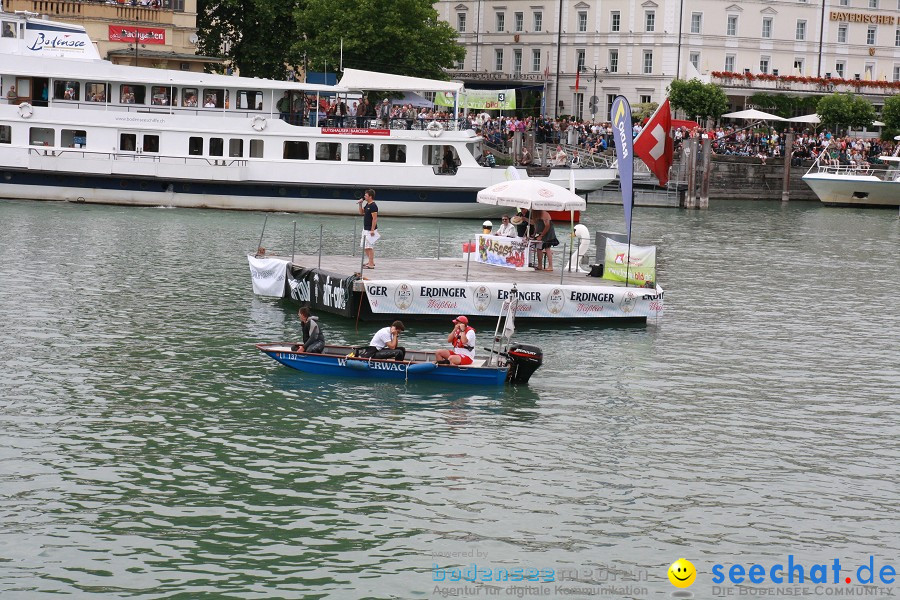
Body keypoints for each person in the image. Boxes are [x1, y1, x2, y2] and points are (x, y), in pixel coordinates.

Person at [357, 188, 378, 269]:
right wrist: (360, 204)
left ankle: (371, 264)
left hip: (370, 229)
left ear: (370, 196)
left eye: (366, 195)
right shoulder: (368, 205)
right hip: (365, 228)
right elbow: (361, 212)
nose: (364, 196)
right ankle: (370, 261)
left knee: (369, 247)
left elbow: (375, 218)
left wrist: (372, 230)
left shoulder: (373, 206)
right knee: (365, 246)